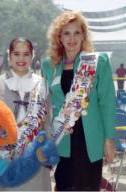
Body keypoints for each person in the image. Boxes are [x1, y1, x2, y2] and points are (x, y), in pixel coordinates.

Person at [41, 11, 116, 191]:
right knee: (63, 186)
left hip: (90, 141)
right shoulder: (48, 65)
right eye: (66, 33)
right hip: (63, 139)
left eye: (76, 33)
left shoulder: (98, 62)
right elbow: (45, 103)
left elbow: (107, 103)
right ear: (59, 37)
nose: (72, 38)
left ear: (83, 35)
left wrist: (109, 139)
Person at [0, 37, 54, 191]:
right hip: (6, 160)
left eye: (26, 54)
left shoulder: (43, 85)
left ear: (32, 56)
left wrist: (46, 150)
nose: (21, 58)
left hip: (35, 160)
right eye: (16, 54)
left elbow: (48, 124)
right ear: (9, 56)